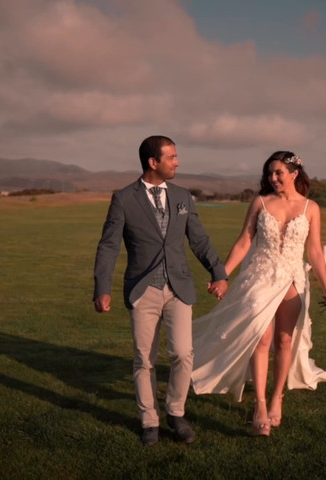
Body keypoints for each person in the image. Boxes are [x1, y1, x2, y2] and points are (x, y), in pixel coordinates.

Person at [93, 135, 229, 446]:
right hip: (143, 289)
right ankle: (149, 421)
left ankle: (176, 413)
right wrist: (102, 287)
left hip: (179, 287)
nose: (177, 162)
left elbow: (199, 239)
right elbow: (109, 246)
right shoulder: (124, 198)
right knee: (144, 359)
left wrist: (218, 273)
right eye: (172, 157)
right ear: (154, 162)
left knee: (183, 354)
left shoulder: (182, 196)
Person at [191, 151, 326, 437]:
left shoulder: (311, 208)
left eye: (278, 172)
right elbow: (245, 240)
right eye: (269, 173)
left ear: (294, 174)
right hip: (260, 278)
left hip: (292, 281)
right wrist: (222, 274)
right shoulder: (261, 202)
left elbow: (315, 251)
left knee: (284, 339)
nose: (273, 178)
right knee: (261, 338)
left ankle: (277, 396)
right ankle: (260, 406)